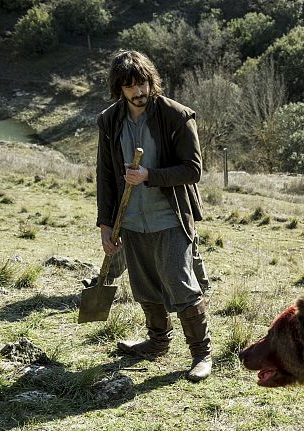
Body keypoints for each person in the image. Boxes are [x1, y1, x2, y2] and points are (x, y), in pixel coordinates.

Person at [95, 49, 212, 381]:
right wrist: (106, 224)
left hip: (170, 217)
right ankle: (157, 343)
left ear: (151, 81)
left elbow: (192, 169)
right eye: (130, 86)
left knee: (181, 284)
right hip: (131, 220)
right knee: (145, 285)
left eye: (143, 83)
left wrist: (149, 175)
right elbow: (106, 175)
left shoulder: (177, 116)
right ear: (119, 88)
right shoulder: (109, 121)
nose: (139, 91)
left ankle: (201, 354)